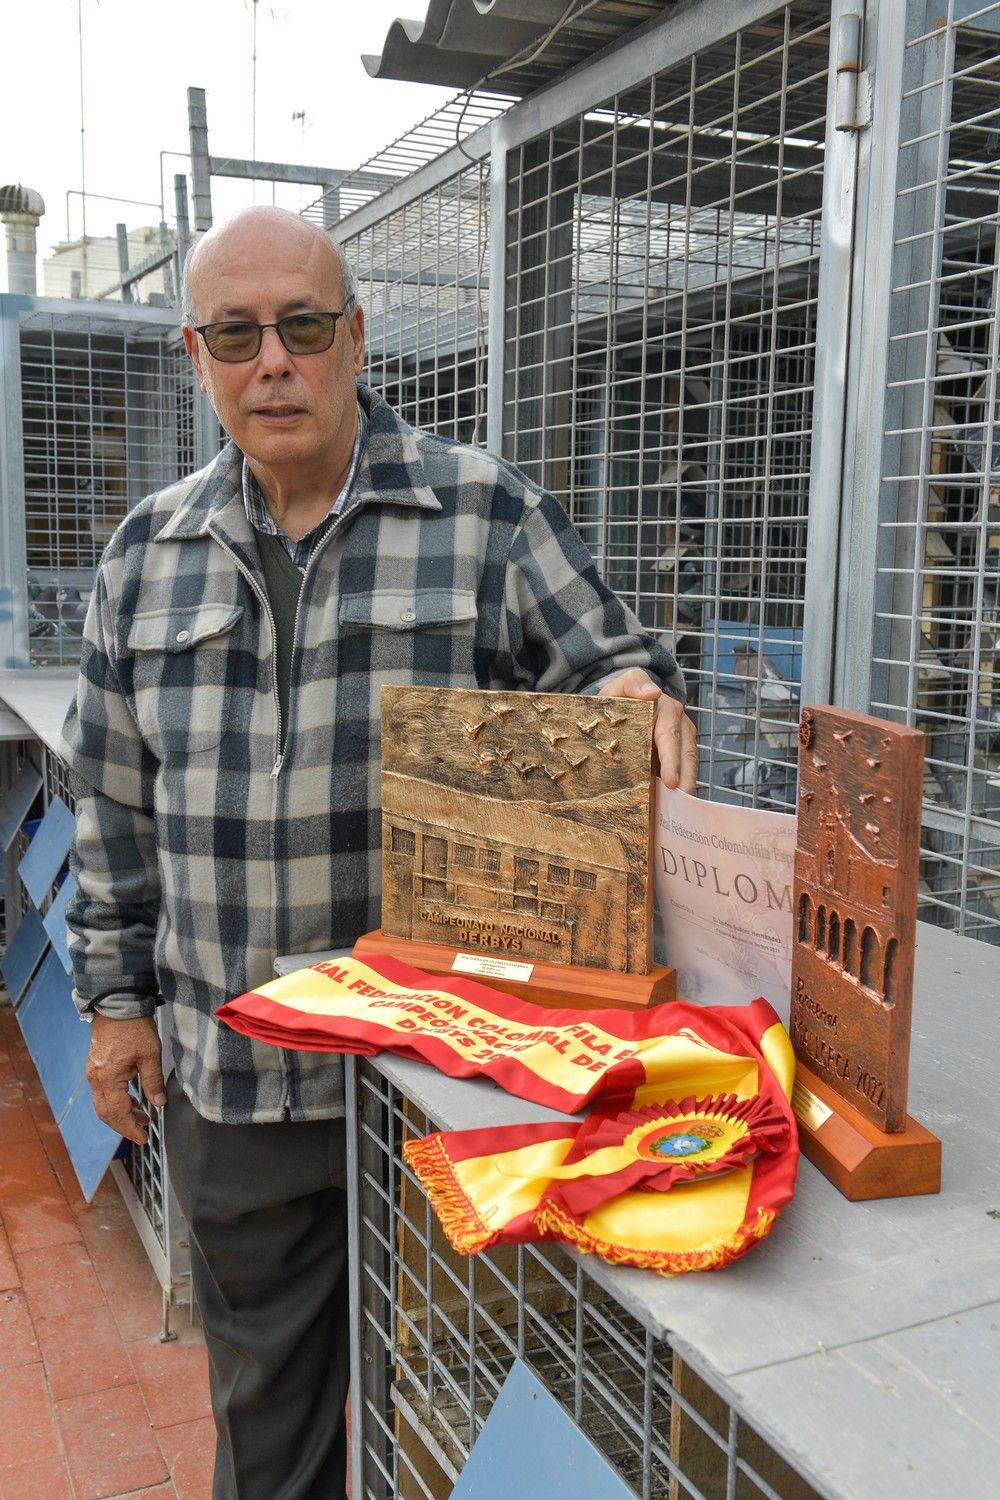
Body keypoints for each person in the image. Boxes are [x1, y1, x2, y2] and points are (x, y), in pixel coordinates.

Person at [63, 205, 697, 1500]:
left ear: (356, 339)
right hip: (233, 1076)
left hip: (441, 1092)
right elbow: (112, 808)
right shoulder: (146, 557)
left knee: (455, 1429)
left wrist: (634, 697)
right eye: (237, 335)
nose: (273, 361)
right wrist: (117, 1007)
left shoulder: (482, 513)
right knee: (270, 1436)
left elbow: (611, 663)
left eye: (302, 325)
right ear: (198, 358)